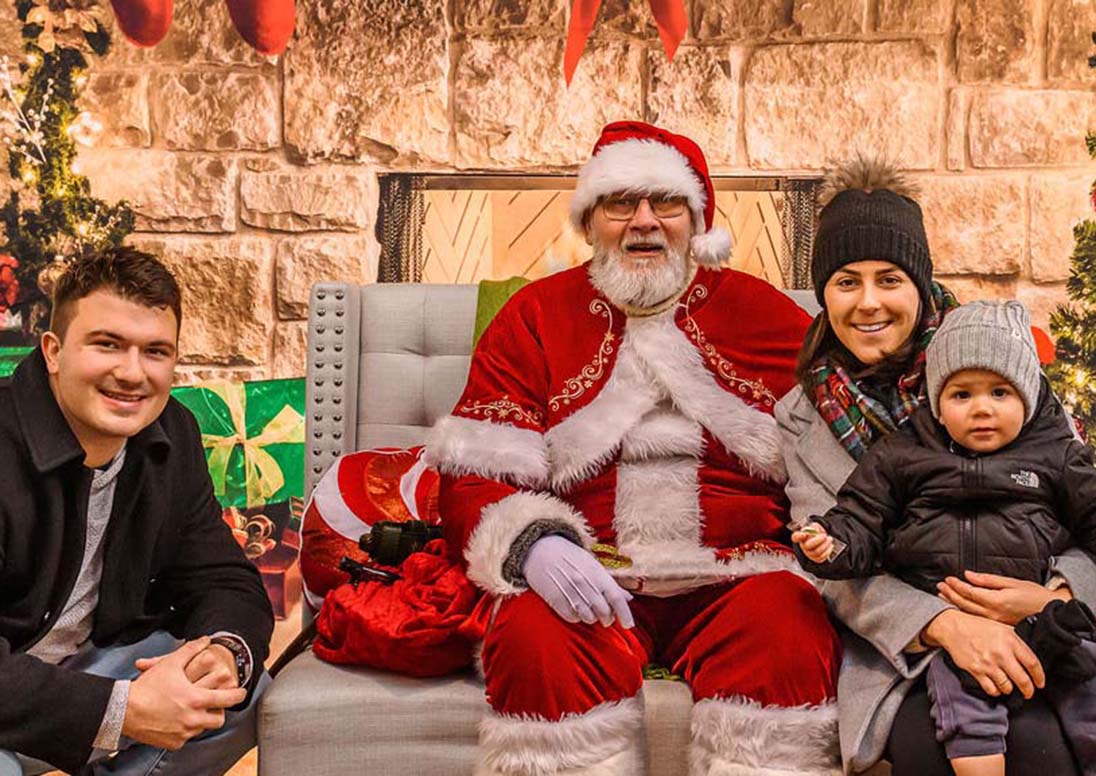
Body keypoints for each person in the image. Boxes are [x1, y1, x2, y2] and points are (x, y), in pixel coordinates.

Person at [425, 121, 843, 776]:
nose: (644, 222)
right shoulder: (534, 318)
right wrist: (535, 546)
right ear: (592, 218)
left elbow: (841, 459)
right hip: (591, 571)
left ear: (696, 219)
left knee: (788, 627)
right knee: (534, 636)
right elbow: (475, 471)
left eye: (665, 203)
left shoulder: (770, 320)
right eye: (622, 202)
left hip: (740, 572)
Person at [775, 158, 1096, 776]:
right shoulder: (801, 416)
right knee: (939, 751)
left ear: (919, 283)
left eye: (889, 278)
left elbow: (1081, 511)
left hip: (1043, 618)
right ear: (824, 293)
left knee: (1049, 743)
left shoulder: (998, 372)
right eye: (846, 281)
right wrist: (945, 625)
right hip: (909, 642)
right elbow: (833, 568)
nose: (869, 303)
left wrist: (1051, 596)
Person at [0, 248, 274, 775]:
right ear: (54, 351)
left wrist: (220, 655)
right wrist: (120, 712)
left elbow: (223, 578)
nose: (132, 373)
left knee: (239, 691)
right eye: (108, 345)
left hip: (84, 668)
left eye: (154, 352)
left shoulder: (174, 432)